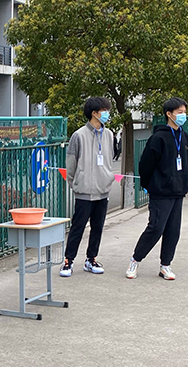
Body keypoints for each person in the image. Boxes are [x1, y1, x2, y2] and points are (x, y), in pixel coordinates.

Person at [126, 97, 188, 281]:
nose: (183, 115)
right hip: (160, 192)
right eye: (179, 112)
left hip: (178, 191)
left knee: (173, 230)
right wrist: (149, 185)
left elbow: (187, 162)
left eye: (184, 112)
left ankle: (165, 265)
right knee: (156, 227)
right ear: (169, 114)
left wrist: (184, 183)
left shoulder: (186, 138)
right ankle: (135, 260)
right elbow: (145, 165)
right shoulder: (158, 138)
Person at [59, 96, 115, 277]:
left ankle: (91, 259)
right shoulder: (79, 135)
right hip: (84, 190)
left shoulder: (109, 134)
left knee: (98, 227)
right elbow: (71, 163)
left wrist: (108, 178)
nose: (107, 114)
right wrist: (75, 183)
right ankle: (68, 261)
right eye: (104, 111)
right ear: (94, 113)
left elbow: (109, 159)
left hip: (103, 189)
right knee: (78, 227)